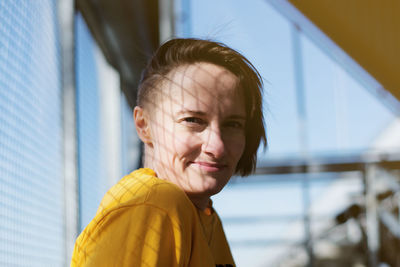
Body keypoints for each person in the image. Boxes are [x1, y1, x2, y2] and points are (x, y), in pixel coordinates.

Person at [70, 38, 266, 267]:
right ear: (144, 125)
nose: (217, 146)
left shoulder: (204, 216)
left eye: (233, 124)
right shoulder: (156, 204)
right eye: (193, 120)